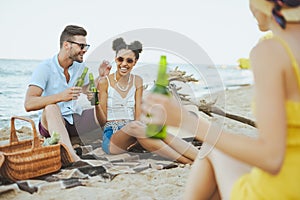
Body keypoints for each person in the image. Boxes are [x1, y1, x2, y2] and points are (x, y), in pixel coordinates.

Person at [141, 0, 300, 199]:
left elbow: (271, 157)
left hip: (281, 191)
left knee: (209, 149)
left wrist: (186, 121)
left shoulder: (271, 51)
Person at [95, 37, 198, 164]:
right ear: (115, 59)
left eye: (129, 60)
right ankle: (190, 161)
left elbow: (138, 116)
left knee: (146, 130)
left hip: (135, 133)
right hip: (113, 139)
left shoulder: (137, 81)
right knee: (136, 127)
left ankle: (199, 159)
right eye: (120, 59)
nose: (124, 64)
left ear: (135, 62)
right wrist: (96, 104)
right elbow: (102, 122)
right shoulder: (105, 82)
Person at [24, 25, 112, 162]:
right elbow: (29, 103)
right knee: (51, 107)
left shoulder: (79, 67)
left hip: (75, 120)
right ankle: (71, 156)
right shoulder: (45, 68)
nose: (84, 51)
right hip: (52, 123)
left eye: (86, 46)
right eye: (81, 46)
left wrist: (100, 77)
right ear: (67, 45)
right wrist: (61, 96)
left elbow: (85, 89)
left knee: (104, 103)